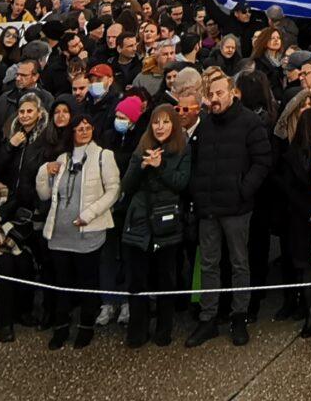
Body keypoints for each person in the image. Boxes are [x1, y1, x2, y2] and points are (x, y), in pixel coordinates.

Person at [186, 68, 272, 345]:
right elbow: (198, 162)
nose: (215, 98)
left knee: (239, 263)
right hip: (208, 208)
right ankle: (208, 318)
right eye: (210, 94)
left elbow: (262, 162)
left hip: (236, 208)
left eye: (219, 93)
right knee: (209, 264)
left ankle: (239, 316)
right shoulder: (206, 124)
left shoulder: (250, 122)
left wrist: (242, 190)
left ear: (232, 93)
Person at [36, 110, 120, 346]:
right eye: (79, 127)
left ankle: (86, 326)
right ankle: (61, 328)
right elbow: (44, 194)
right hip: (60, 233)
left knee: (87, 281)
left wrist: (89, 214)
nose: (83, 131)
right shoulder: (62, 159)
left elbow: (114, 190)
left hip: (88, 232)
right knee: (62, 282)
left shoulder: (104, 156)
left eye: (87, 127)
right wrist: (44, 172)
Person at [118, 102, 194, 348]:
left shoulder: (182, 149)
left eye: (166, 121)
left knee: (166, 279)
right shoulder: (142, 147)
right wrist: (142, 166)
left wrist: (160, 167)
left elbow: (181, 183)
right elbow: (126, 185)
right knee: (137, 280)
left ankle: (164, 329)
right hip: (139, 221)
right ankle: (137, 330)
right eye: (156, 122)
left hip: (166, 222)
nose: (160, 127)